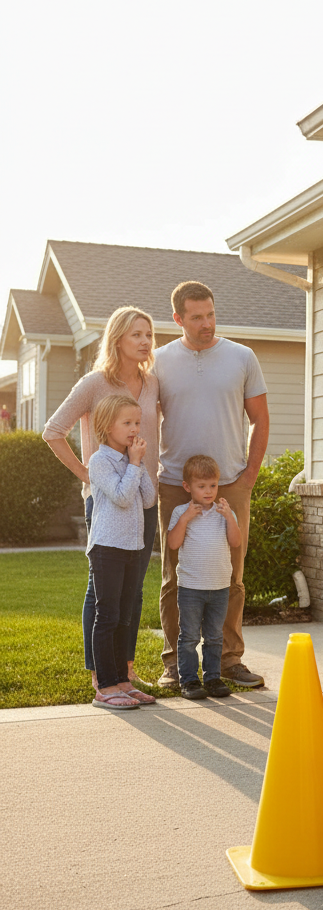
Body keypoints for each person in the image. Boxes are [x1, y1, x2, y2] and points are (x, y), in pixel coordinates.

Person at [153, 280, 268, 691]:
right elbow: (146, 420)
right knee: (174, 576)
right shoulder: (160, 361)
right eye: (197, 317)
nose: (207, 323)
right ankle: (174, 663)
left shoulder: (242, 357)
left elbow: (260, 419)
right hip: (174, 485)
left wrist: (249, 476)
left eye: (211, 314)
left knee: (231, 574)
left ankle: (229, 660)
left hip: (230, 484)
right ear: (178, 318)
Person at [44, 306, 159, 690]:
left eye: (148, 334)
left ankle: (125, 670)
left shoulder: (152, 384)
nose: (145, 341)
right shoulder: (94, 383)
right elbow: (53, 431)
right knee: (103, 591)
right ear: (117, 339)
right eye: (136, 335)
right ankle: (100, 674)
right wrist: (87, 475)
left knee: (134, 589)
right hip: (107, 501)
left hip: (143, 496)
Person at [86, 394, 157, 709]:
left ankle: (122, 681)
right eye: (127, 422)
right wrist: (135, 464)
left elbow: (148, 499)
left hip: (132, 547)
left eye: (137, 422)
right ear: (106, 426)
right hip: (107, 548)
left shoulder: (131, 460)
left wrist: (137, 463)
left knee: (125, 617)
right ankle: (105, 686)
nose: (134, 429)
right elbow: (122, 497)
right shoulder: (99, 461)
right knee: (108, 616)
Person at [166, 455, 240, 700]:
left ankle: (213, 678)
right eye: (201, 486)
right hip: (191, 588)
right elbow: (173, 543)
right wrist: (186, 518)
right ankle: (189, 680)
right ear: (187, 487)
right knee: (189, 637)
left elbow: (236, 542)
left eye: (213, 485)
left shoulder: (224, 512)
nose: (208, 491)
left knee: (215, 637)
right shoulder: (180, 512)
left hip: (219, 587)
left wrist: (229, 517)